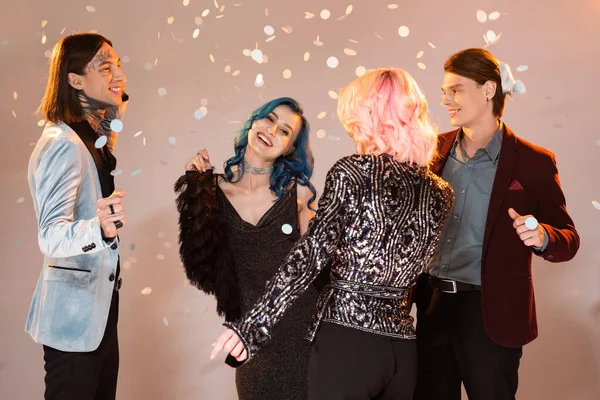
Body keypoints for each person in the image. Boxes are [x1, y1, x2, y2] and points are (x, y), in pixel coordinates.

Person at [210, 68, 454, 400]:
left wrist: (252, 327)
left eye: (354, 116)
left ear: (368, 113)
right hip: (402, 349)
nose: (351, 127)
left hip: (348, 345)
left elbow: (309, 256)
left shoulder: (352, 172)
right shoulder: (439, 192)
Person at [414, 48, 580, 400]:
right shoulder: (430, 151)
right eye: (444, 91)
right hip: (431, 306)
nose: (445, 100)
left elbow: (569, 239)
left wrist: (542, 236)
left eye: (455, 90)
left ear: (488, 89)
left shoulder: (534, 162)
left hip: (491, 317)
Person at [175, 97, 319, 400]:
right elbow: (200, 267)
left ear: (290, 147)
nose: (271, 131)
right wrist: (196, 192)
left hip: (306, 337)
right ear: (254, 120)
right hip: (253, 339)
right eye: (269, 119)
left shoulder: (300, 194)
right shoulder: (212, 191)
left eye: (284, 132)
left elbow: (315, 268)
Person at [26, 33, 129, 400]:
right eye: (105, 66)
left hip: (98, 314)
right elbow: (50, 236)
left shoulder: (88, 139)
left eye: (118, 65)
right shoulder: (62, 145)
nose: (119, 73)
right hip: (72, 320)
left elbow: (108, 124)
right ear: (74, 79)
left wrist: (113, 106)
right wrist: (98, 228)